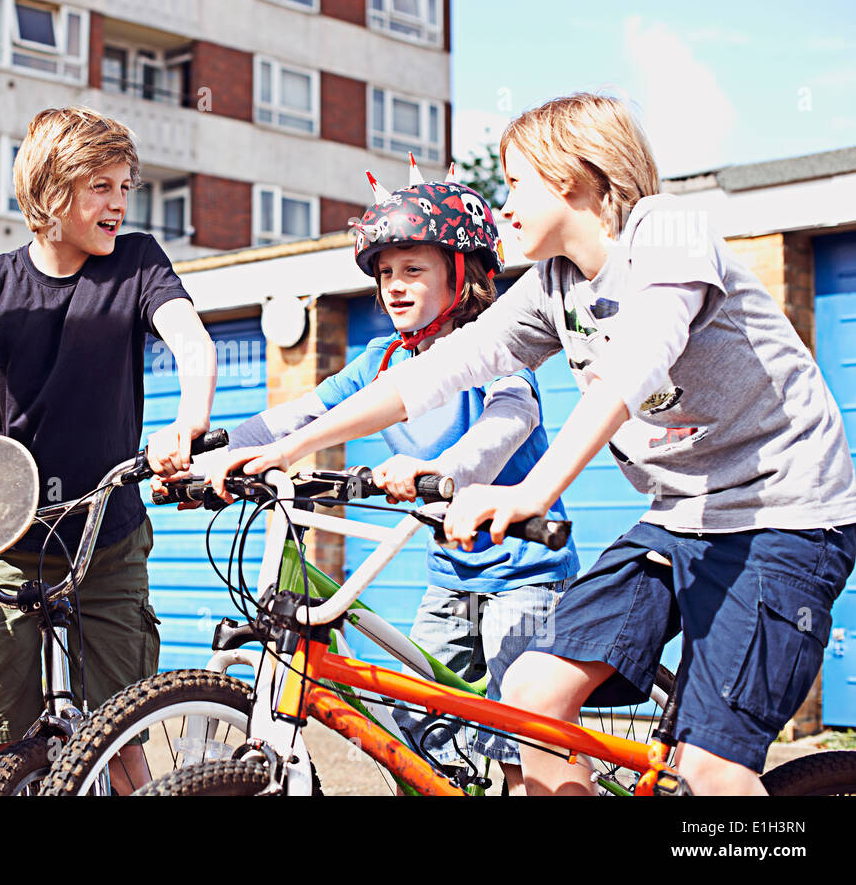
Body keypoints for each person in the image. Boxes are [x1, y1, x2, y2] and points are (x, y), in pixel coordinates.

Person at [214, 93, 856, 795]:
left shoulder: (668, 233)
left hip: (786, 521)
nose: (505, 205)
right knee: (530, 700)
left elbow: (637, 362)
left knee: (711, 769)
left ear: (572, 178)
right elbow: (433, 373)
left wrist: (532, 490)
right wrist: (285, 448)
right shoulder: (553, 287)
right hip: (678, 519)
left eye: (515, 183)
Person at [212, 162, 578, 792]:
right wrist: (209, 454)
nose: (394, 287)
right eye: (385, 273)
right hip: (449, 576)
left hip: (525, 575)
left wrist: (444, 471)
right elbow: (299, 414)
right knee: (414, 737)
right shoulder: (380, 361)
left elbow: (510, 418)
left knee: (521, 745)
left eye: (414, 270)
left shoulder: (490, 345)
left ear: (462, 276)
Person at [0, 106, 217, 795]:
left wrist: (184, 426)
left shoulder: (137, 264)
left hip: (107, 543)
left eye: (125, 187)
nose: (119, 203)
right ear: (51, 194)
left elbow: (193, 346)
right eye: (101, 186)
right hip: (8, 545)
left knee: (124, 740)